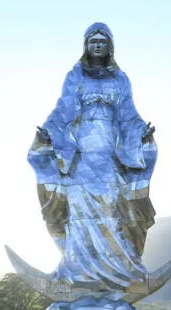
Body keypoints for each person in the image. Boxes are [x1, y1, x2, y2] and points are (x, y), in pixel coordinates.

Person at [30, 22, 157, 291]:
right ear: (86, 46)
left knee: (112, 208)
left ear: (110, 46)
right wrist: (48, 135)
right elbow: (63, 109)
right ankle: (76, 273)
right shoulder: (75, 76)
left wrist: (141, 134)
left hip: (109, 155)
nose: (98, 46)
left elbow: (128, 115)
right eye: (93, 41)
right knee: (77, 209)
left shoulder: (120, 79)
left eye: (102, 41)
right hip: (80, 156)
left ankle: (117, 272)